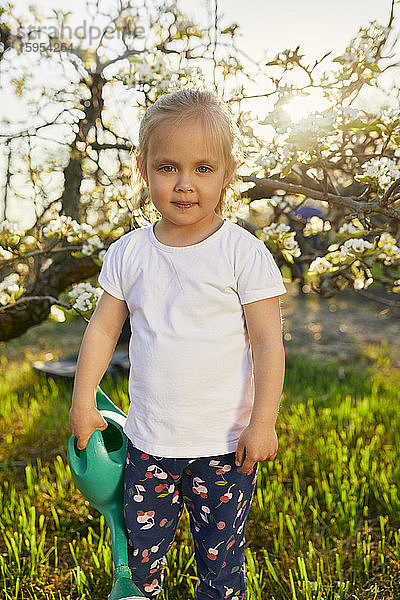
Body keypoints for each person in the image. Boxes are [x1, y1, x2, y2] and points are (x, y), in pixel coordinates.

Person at [69, 88, 287, 600]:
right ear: (143, 169)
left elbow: (268, 344)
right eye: (168, 168)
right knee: (141, 556)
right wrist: (83, 401)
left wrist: (263, 422)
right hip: (151, 444)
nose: (185, 184)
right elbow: (102, 330)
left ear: (227, 172)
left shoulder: (242, 253)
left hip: (225, 449)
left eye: (204, 169)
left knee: (221, 562)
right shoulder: (129, 253)